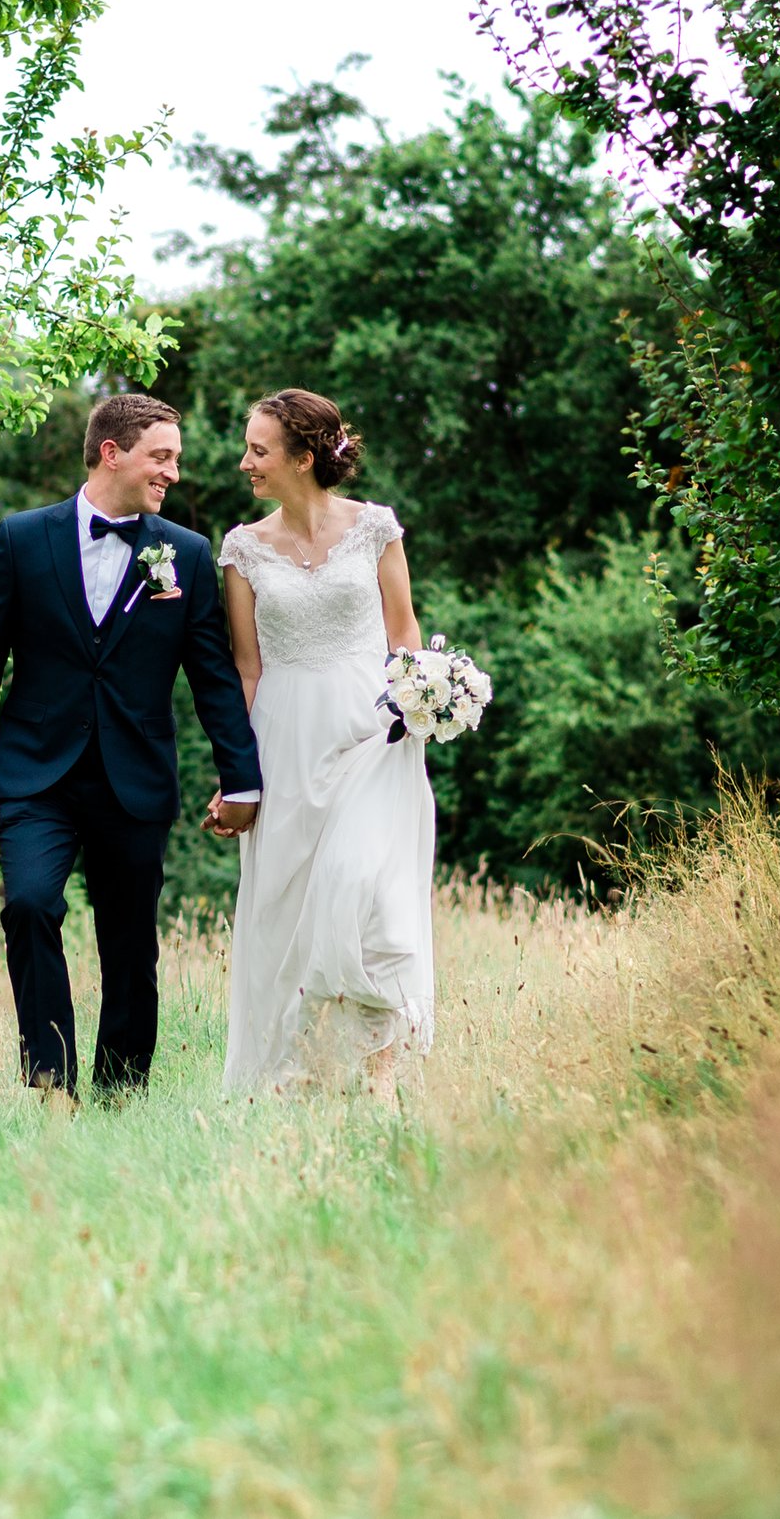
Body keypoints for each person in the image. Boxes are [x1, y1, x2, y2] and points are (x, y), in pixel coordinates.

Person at [0, 394, 263, 1099]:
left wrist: (243, 780)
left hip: (135, 778)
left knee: (129, 943)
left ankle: (121, 1092)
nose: (173, 471)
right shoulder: (22, 538)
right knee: (28, 904)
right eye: (161, 456)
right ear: (111, 452)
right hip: (35, 775)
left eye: (175, 458)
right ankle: (52, 1083)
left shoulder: (185, 554)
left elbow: (212, 678)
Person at [216, 388, 436, 1095]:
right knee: (287, 910)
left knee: (366, 891)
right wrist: (237, 776)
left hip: (373, 733)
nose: (246, 461)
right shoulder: (243, 549)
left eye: (259, 449)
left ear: (303, 457)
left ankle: (379, 1072)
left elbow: (403, 632)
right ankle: (289, 1073)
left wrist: (421, 703)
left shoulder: (376, 528)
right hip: (285, 738)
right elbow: (247, 669)